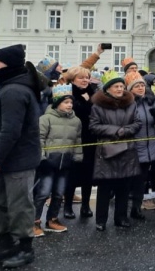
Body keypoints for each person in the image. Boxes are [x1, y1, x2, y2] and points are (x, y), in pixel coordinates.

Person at [0, 45, 42, 268]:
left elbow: (11, 130)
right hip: (3, 157)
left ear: (9, 65)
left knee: (19, 206)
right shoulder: (9, 86)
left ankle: (25, 249)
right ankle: (4, 246)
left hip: (18, 160)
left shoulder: (14, 91)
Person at [89, 71, 142, 231]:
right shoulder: (98, 106)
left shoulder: (131, 103)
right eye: (116, 86)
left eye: (121, 86)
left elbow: (137, 122)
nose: (120, 89)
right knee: (105, 188)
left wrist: (124, 131)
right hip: (107, 151)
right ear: (108, 89)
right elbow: (94, 126)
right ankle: (101, 220)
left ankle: (121, 218)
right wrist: (115, 130)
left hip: (127, 150)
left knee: (124, 187)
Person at [34, 83, 82, 235]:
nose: (69, 105)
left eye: (71, 102)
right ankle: (34, 221)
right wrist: (41, 158)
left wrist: (77, 157)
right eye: (66, 102)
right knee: (43, 192)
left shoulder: (76, 121)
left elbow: (78, 140)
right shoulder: (45, 119)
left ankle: (52, 219)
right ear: (57, 103)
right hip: (48, 162)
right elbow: (39, 139)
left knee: (59, 193)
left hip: (65, 162)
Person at [60, 65, 98, 220]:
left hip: (90, 138)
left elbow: (96, 113)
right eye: (81, 77)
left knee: (88, 174)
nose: (85, 80)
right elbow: (76, 112)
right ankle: (67, 206)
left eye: (87, 77)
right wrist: (88, 104)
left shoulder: (93, 92)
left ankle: (85, 205)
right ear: (73, 79)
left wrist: (90, 103)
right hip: (73, 139)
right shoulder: (67, 93)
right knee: (72, 174)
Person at [126, 72, 155, 220]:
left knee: (142, 179)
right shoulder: (128, 103)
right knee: (131, 180)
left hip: (149, 145)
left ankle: (136, 208)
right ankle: (126, 208)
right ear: (130, 89)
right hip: (134, 146)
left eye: (142, 85)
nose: (140, 88)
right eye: (137, 86)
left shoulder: (150, 100)